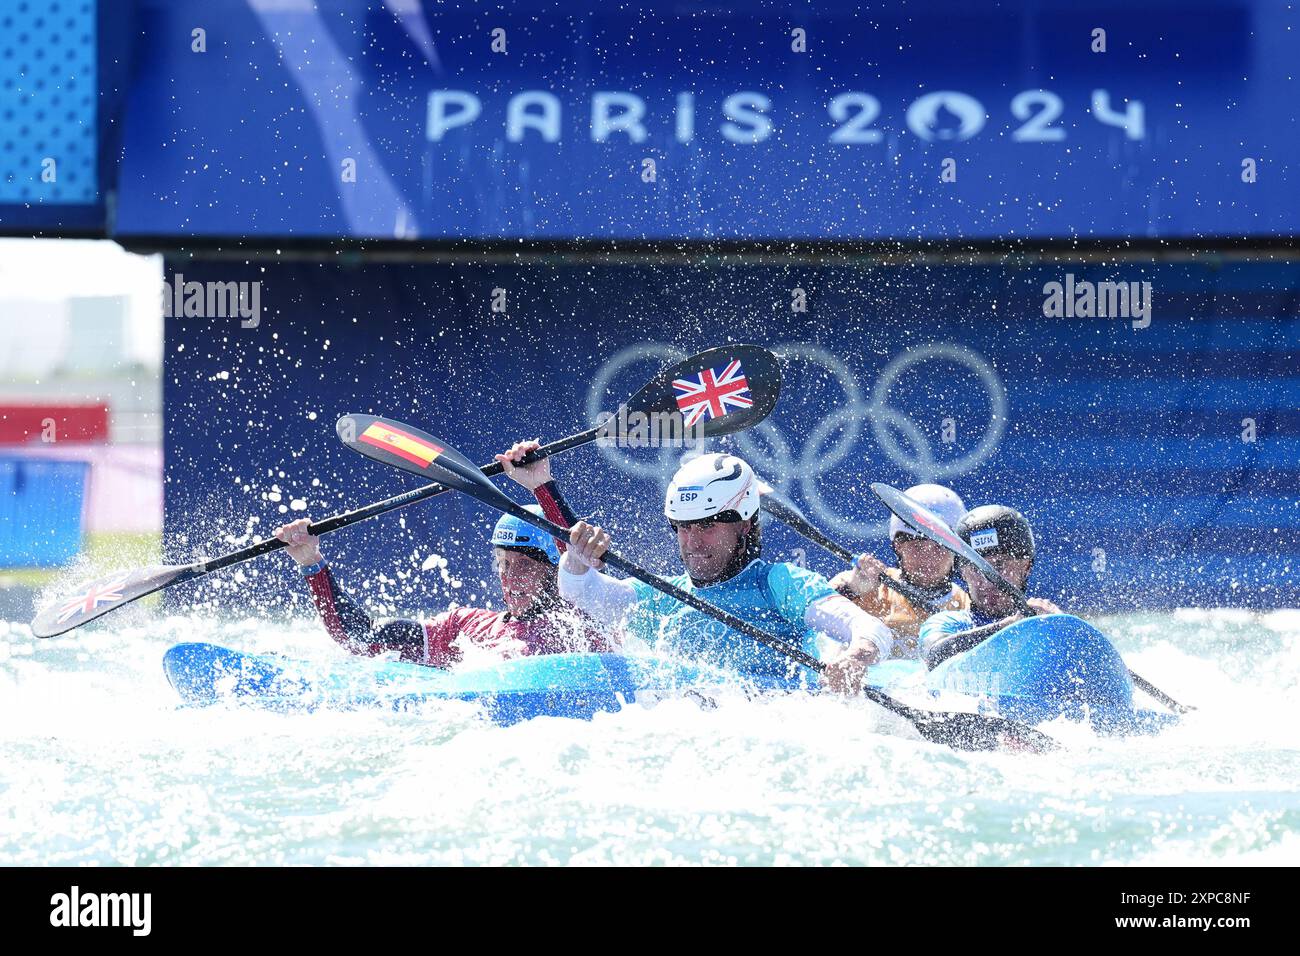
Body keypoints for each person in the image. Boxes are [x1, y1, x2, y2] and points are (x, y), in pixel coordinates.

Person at [557, 452, 895, 695]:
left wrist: (855, 658)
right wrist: (577, 558)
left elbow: (870, 628)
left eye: (707, 526)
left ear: (744, 524)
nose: (692, 542)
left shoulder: (777, 583)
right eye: (682, 527)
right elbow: (584, 594)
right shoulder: (661, 595)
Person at [274, 440, 610, 667]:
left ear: (553, 569)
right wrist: (312, 564)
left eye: (523, 565)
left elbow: (578, 560)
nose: (509, 578)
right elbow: (360, 638)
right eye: (503, 564)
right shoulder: (465, 627)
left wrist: (541, 485)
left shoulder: (584, 618)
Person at [830, 483, 971, 659]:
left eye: (938, 547)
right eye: (917, 547)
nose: (928, 558)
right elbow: (816, 613)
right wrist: (852, 589)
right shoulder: (868, 586)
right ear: (897, 546)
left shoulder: (967, 605)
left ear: (956, 551)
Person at [918, 504, 1062, 670]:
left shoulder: (1047, 621)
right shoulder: (946, 623)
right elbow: (934, 655)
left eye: (998, 566)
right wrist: (1008, 628)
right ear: (963, 574)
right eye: (975, 568)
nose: (986, 582)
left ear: (1026, 566)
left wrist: (1062, 627)